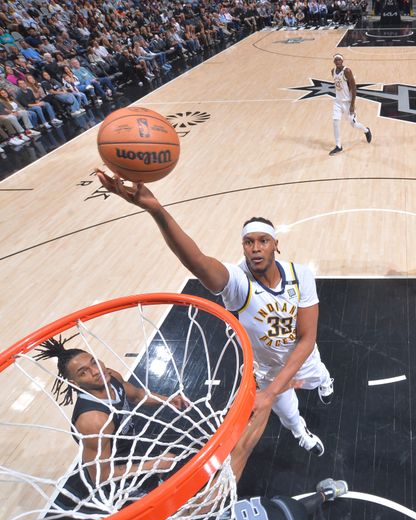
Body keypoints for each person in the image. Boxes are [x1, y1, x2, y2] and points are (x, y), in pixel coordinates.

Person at [95, 169, 334, 457]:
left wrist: (271, 393)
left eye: (263, 241)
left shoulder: (301, 275)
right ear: (243, 246)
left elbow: (307, 339)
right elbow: (197, 261)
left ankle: (324, 382)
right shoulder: (236, 282)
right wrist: (157, 211)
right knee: (288, 412)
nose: (256, 248)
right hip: (268, 370)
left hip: (301, 356)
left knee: (319, 374)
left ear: (275, 244)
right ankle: (302, 434)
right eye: (249, 242)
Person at [33, 337, 189, 482]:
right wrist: (152, 465)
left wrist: (167, 400)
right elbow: (101, 476)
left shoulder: (110, 376)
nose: (96, 371)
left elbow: (136, 395)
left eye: (94, 362)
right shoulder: (93, 420)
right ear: (75, 383)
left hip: (132, 447)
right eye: (83, 372)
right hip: (115, 471)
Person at [329, 53, 372, 156]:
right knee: (335, 122)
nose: (338, 61)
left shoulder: (347, 71)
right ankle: (338, 146)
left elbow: (353, 87)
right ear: (334, 61)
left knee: (353, 124)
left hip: (347, 102)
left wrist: (352, 104)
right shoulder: (333, 71)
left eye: (339, 59)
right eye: (336, 60)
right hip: (338, 102)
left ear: (342, 61)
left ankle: (366, 130)